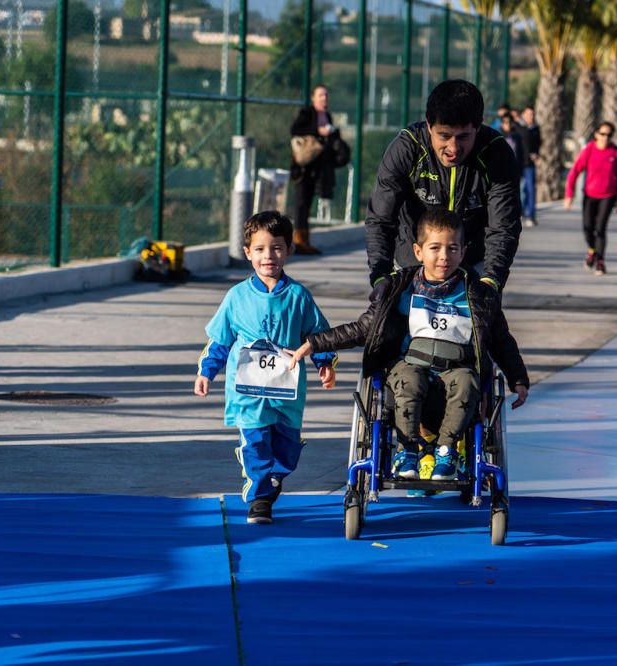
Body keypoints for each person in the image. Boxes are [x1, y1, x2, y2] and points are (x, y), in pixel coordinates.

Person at [289, 210, 529, 481]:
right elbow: (364, 328)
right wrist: (313, 343)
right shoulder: (402, 288)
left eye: (452, 248)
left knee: (467, 382)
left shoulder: (479, 294)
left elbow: (501, 340)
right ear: (418, 251)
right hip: (411, 366)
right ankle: (408, 449)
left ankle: (447, 451)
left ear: (463, 252)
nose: (444, 256)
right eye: (435, 248)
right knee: (408, 379)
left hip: (457, 369)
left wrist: (518, 377)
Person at [193, 211, 337, 524]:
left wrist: (324, 363)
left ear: (289, 250)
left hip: (286, 392)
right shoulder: (236, 297)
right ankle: (259, 498)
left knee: (286, 448)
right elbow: (219, 340)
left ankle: (274, 477)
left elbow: (317, 335)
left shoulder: (299, 297)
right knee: (256, 440)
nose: (267, 256)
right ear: (247, 253)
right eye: (259, 249)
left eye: (276, 248)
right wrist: (207, 371)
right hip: (247, 392)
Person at [366, 80, 522, 293]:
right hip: (412, 265)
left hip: (473, 269)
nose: (453, 148)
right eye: (444, 136)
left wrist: (491, 281)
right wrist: (380, 275)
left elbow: (503, 226)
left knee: (485, 323)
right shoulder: (407, 148)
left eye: (463, 137)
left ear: (478, 127)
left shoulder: (497, 154)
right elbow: (381, 218)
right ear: (429, 125)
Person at [564, 121, 617, 276]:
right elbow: (575, 171)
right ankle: (592, 251)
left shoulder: (616, 153)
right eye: (602, 134)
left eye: (609, 135)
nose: (605, 137)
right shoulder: (589, 150)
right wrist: (569, 195)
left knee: (600, 229)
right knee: (587, 228)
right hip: (589, 195)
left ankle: (600, 261)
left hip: (608, 196)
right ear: (596, 134)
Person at [289, 84, 339, 255]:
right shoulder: (307, 113)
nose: (324, 98)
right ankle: (298, 240)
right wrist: (318, 131)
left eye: (326, 95)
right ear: (313, 98)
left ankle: (305, 240)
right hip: (304, 167)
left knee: (309, 203)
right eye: (320, 95)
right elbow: (295, 130)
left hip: (319, 169)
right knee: (301, 203)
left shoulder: (328, 116)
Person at [517, 106, 541, 227]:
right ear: (523, 114)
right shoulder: (517, 127)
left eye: (532, 114)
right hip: (517, 163)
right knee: (519, 190)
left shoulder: (535, 128)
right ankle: (518, 213)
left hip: (529, 164)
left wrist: (536, 154)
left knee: (530, 189)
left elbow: (537, 144)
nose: (531, 116)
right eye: (528, 114)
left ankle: (531, 215)